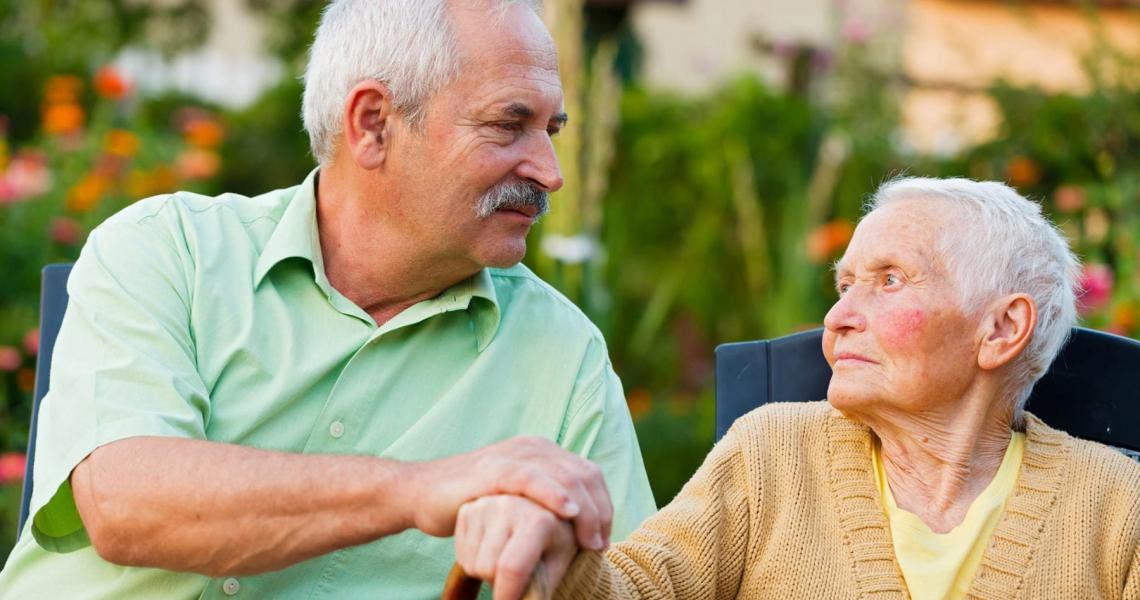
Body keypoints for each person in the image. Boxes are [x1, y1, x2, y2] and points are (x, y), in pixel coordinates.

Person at [0, 0, 656, 597]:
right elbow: (125, 502)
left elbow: (632, 579)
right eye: (509, 126)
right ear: (372, 124)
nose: (551, 171)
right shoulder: (168, 251)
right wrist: (424, 491)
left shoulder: (564, 358)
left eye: (552, 130)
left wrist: (564, 557)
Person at [454, 177, 1140, 600]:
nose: (838, 317)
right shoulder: (770, 455)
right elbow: (638, 589)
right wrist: (561, 547)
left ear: (1001, 329)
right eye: (844, 285)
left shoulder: (1116, 508)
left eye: (890, 280)